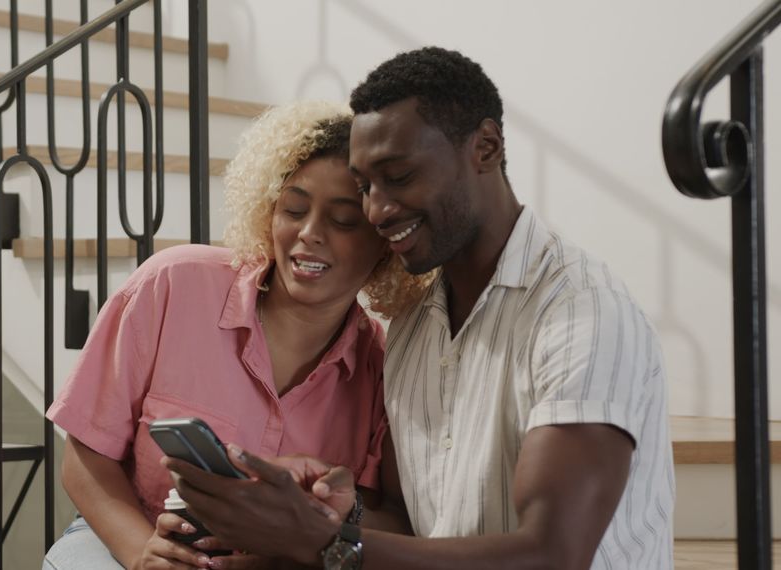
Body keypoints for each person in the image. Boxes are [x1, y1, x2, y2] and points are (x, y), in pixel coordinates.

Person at [167, 47, 674, 569]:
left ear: (486, 147)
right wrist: (337, 510)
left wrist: (318, 541)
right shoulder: (411, 327)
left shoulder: (583, 315)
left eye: (399, 176)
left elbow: (552, 554)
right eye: (365, 187)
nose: (378, 210)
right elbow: (412, 523)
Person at [43, 100, 427, 570]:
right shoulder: (172, 284)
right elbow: (85, 457)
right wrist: (143, 554)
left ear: (385, 245)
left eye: (343, 220)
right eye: (293, 209)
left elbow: (383, 519)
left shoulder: (383, 370)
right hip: (125, 537)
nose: (309, 233)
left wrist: (333, 510)